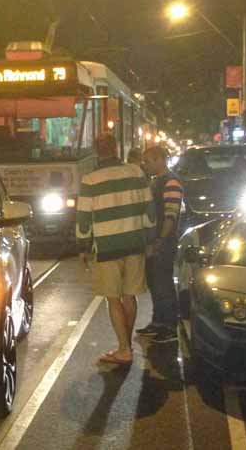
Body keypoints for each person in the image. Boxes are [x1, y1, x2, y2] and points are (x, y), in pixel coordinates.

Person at [76, 134, 156, 365]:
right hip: (134, 243)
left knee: (113, 299)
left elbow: (84, 219)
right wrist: (149, 240)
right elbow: (149, 210)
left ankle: (123, 349)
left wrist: (83, 247)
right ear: (117, 148)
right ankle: (126, 345)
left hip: (107, 246)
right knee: (129, 296)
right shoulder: (136, 173)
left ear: (96, 151)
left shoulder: (90, 180)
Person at [136, 146, 184, 343]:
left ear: (159, 160)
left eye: (147, 161)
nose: (145, 165)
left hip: (162, 241)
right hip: (155, 240)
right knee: (155, 281)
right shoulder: (157, 181)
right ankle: (158, 321)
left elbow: (170, 215)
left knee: (162, 282)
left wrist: (160, 240)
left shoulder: (171, 182)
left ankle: (169, 326)